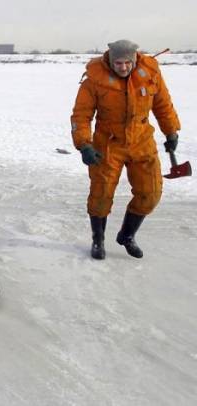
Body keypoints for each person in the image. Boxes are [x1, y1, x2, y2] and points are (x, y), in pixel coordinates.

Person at [71, 40, 181, 259]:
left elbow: (163, 105)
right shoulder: (94, 80)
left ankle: (127, 235)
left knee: (151, 193)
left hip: (142, 141)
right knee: (101, 195)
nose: (122, 67)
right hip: (108, 144)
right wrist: (84, 145)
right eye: (118, 63)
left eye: (127, 63)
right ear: (111, 61)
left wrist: (171, 132)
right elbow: (81, 116)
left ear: (134, 59)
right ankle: (98, 240)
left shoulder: (150, 73)